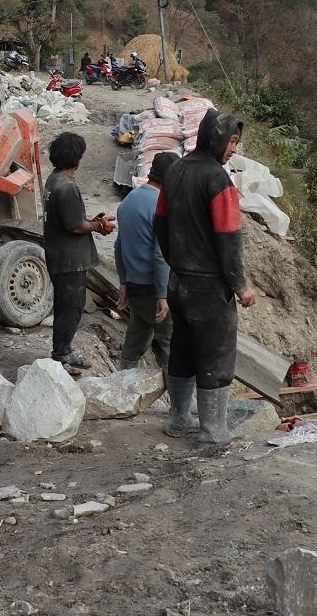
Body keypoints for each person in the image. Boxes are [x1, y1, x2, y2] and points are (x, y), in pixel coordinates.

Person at [153, 110, 258, 446]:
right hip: (209, 287)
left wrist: (175, 262)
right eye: (231, 141)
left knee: (182, 350)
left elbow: (160, 224)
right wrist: (240, 285)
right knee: (216, 353)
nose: (234, 149)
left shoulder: (176, 171)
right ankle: (213, 430)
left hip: (178, 281)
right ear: (215, 138)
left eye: (237, 143)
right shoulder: (218, 180)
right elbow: (229, 239)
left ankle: (179, 419)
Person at [42, 132, 115, 369]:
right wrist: (98, 225)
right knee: (70, 307)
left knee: (66, 305)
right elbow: (75, 226)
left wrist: (91, 221)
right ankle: (61, 354)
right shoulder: (67, 187)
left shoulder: (53, 181)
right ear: (77, 158)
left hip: (58, 255)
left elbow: (70, 218)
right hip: (69, 259)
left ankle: (64, 350)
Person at [114, 151, 178, 371]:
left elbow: (118, 246)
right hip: (154, 289)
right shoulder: (160, 206)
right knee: (172, 346)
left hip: (135, 286)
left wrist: (124, 281)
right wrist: (163, 295)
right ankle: (180, 406)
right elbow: (161, 256)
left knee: (135, 341)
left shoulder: (128, 201)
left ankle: (122, 392)